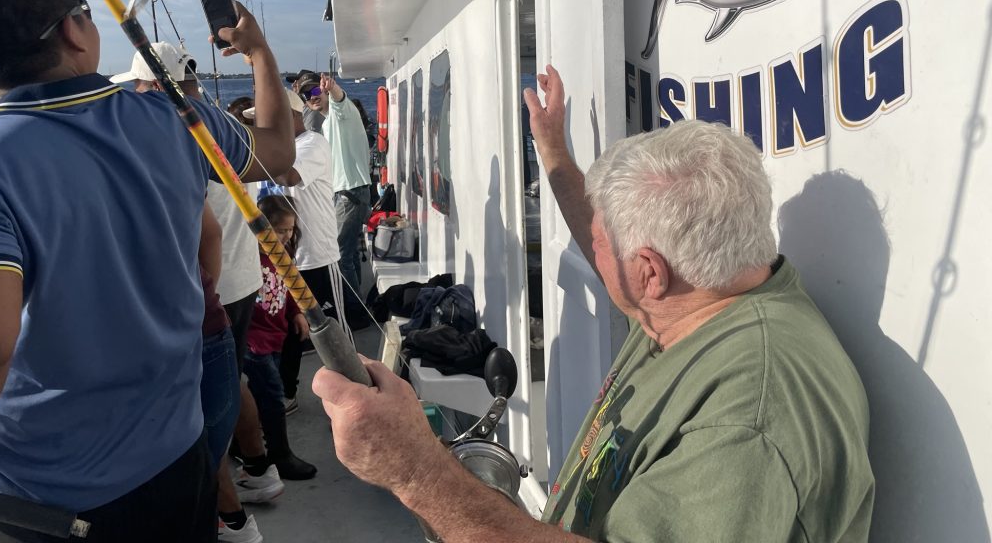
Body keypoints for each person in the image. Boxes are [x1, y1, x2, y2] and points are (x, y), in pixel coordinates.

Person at [314, 65, 875, 542]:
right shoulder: (706, 291)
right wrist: (553, 151)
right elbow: (605, 240)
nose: (591, 249)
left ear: (651, 274)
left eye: (602, 246)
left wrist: (415, 471)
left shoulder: (748, 423)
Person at [0, 0, 294, 543]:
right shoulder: (177, 117)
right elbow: (276, 149)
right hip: (176, 459)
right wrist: (258, 53)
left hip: (38, 494)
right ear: (74, 30)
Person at [112, 47, 272, 542]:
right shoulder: (216, 125)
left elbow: (210, 233)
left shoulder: (168, 134)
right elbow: (278, 159)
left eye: (137, 89)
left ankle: (232, 515)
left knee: (195, 428)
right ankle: (260, 470)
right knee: (234, 383)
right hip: (230, 291)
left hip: (207, 298)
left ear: (150, 86)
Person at [242, 195, 316, 478]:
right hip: (254, 341)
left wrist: (296, 313)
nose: (285, 236)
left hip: (276, 336)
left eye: (289, 230)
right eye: (279, 230)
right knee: (273, 395)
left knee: (262, 393)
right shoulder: (249, 257)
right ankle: (279, 454)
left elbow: (291, 286)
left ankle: (244, 443)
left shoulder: (283, 256)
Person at [291, 70, 371, 305]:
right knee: (350, 254)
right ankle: (358, 303)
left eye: (316, 90)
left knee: (340, 256)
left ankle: (355, 311)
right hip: (348, 194)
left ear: (325, 89)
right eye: (307, 95)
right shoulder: (327, 122)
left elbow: (339, 99)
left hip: (349, 195)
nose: (313, 96)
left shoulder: (342, 113)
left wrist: (333, 88)